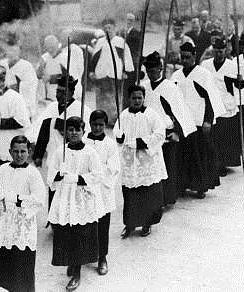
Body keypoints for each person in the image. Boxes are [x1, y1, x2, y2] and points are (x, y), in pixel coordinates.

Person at [47, 117, 103, 291]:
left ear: (83, 131)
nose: (73, 133)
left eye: (77, 130)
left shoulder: (90, 152)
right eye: (70, 130)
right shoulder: (60, 151)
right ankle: (71, 262)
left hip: (82, 198)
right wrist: (58, 174)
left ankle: (77, 272)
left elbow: (98, 175)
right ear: (65, 132)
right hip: (65, 197)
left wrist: (78, 178)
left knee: (80, 234)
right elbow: (51, 174)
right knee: (66, 233)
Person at [0, 135, 45, 292]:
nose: (19, 155)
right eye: (16, 151)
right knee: (2, 264)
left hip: (22, 227)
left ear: (29, 151)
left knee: (21, 266)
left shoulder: (33, 173)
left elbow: (39, 199)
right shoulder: (2, 170)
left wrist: (17, 198)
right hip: (3, 225)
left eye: (23, 151)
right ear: (10, 152)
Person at [142, 51, 197, 206]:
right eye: (148, 72)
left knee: (168, 166)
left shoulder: (170, 87)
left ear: (161, 68)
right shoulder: (144, 87)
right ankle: (152, 198)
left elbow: (180, 111)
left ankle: (167, 198)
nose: (151, 75)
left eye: (153, 71)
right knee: (151, 167)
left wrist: (177, 132)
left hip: (167, 132)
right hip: (150, 133)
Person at [171, 42, 225, 197]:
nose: (185, 60)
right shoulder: (176, 76)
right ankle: (183, 185)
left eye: (188, 57)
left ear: (194, 56)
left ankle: (200, 186)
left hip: (199, 120)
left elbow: (211, 98)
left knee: (199, 155)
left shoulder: (203, 74)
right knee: (182, 155)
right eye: (182, 57)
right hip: (183, 121)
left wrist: (208, 120)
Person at [0, 67, 31, 230]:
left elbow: (23, 121)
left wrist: (0, 122)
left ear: (3, 81)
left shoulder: (15, 98)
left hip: (8, 150)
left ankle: (10, 219)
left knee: (9, 185)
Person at [113, 85, 166, 237]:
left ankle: (146, 223)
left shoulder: (151, 114)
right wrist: (119, 136)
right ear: (129, 99)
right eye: (133, 98)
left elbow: (160, 134)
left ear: (144, 98)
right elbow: (117, 130)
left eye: (139, 98)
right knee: (130, 193)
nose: (136, 101)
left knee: (147, 193)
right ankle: (130, 224)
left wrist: (140, 143)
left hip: (146, 161)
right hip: (130, 161)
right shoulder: (124, 114)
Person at [83, 110, 120, 275]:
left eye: (101, 125)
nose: (97, 128)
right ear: (89, 124)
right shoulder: (83, 141)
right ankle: (83, 256)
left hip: (102, 190)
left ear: (105, 125)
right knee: (83, 224)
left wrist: (97, 176)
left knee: (102, 225)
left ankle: (102, 257)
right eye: (94, 124)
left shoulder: (110, 144)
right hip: (84, 189)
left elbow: (113, 168)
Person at [201, 39, 244, 174]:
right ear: (213, 50)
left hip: (226, 104)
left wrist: (239, 81)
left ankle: (223, 163)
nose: (219, 54)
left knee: (224, 136)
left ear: (226, 50)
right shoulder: (206, 65)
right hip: (211, 103)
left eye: (221, 51)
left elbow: (240, 86)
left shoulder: (232, 66)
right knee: (212, 136)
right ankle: (212, 162)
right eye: (216, 51)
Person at [30, 75, 92, 168]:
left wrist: (63, 126)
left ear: (71, 93)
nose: (59, 95)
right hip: (53, 156)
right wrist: (38, 155)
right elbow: (43, 131)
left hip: (73, 157)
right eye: (58, 91)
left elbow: (87, 135)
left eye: (63, 92)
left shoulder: (82, 109)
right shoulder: (52, 107)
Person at [89, 18, 134, 125]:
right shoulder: (100, 42)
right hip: (101, 75)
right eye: (106, 28)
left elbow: (126, 58)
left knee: (115, 98)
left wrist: (125, 72)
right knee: (102, 98)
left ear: (114, 28)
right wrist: (91, 71)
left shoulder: (120, 42)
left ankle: (114, 121)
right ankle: (102, 120)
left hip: (115, 75)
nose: (108, 30)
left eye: (110, 28)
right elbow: (94, 58)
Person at [36, 35, 84, 102]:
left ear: (57, 44)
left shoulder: (66, 57)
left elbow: (72, 78)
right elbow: (38, 75)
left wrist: (51, 78)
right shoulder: (45, 57)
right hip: (51, 98)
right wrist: (41, 68)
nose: (50, 50)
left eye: (52, 47)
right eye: (47, 47)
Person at [3, 43, 39, 118]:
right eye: (9, 50)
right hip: (5, 106)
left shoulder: (26, 66)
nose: (11, 53)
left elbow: (32, 84)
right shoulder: (2, 64)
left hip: (23, 105)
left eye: (14, 50)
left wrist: (16, 86)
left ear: (19, 51)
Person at [123, 13, 142, 105]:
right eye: (127, 20)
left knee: (130, 84)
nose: (129, 22)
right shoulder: (122, 32)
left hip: (132, 62)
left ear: (134, 22)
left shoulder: (136, 33)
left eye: (131, 20)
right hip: (123, 61)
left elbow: (136, 50)